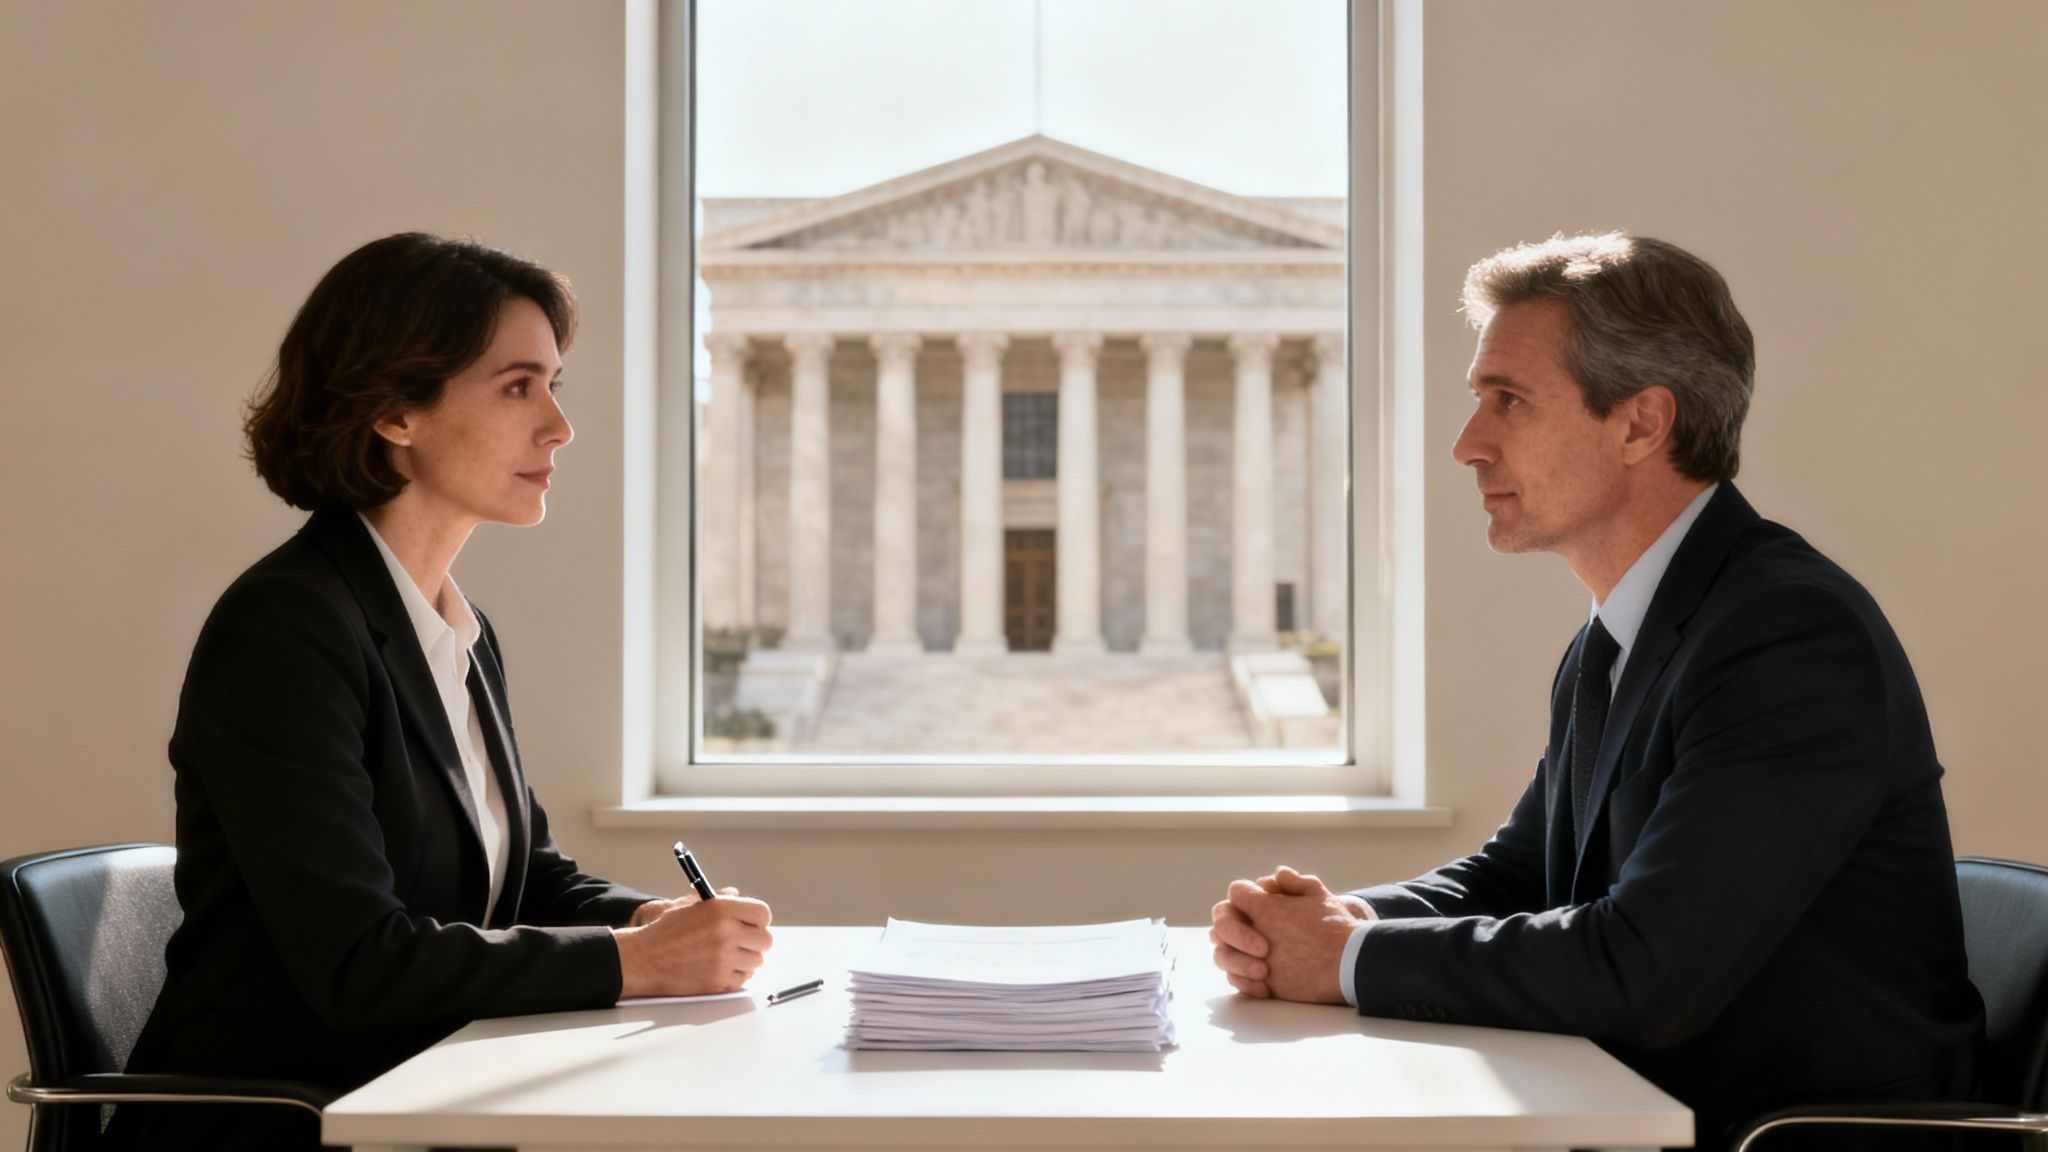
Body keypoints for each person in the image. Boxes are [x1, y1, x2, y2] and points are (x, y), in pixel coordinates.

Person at [1209, 233, 1984, 1150]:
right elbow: (1522, 873)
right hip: (1648, 1111)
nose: (1467, 445)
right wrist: (1342, 922)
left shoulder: (1788, 638)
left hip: (1784, 1134)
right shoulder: (1622, 633)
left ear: (1640, 425)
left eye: (1509, 401)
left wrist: (1342, 959)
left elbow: (1644, 971)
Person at [113, 233, 774, 1151]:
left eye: (554, 384)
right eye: (517, 387)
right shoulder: (285, 630)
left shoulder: (453, 627)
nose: (558, 425)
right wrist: (633, 964)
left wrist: (645, 919)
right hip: (291, 1120)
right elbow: (361, 966)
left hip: (422, 1096)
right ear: (394, 412)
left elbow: (526, 876)